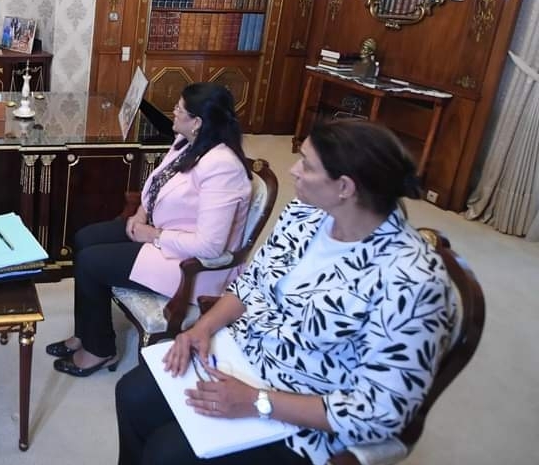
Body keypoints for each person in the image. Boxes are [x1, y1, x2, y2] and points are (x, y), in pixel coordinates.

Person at [114, 119, 455, 465]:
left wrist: (256, 401)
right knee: (133, 394)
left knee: (167, 454)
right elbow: (251, 283)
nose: (294, 170)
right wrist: (201, 329)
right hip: (242, 358)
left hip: (304, 414)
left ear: (344, 187)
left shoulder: (412, 281)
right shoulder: (305, 215)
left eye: (307, 164)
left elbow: (380, 412)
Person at [48, 83, 252, 377]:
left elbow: (210, 246)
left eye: (180, 108)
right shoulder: (187, 142)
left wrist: (153, 235)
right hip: (162, 230)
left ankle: (99, 350)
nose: (174, 111)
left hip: (190, 263)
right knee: (85, 238)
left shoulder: (223, 167)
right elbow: (157, 184)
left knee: (92, 263)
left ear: (197, 122)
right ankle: (86, 333)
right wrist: (141, 213)